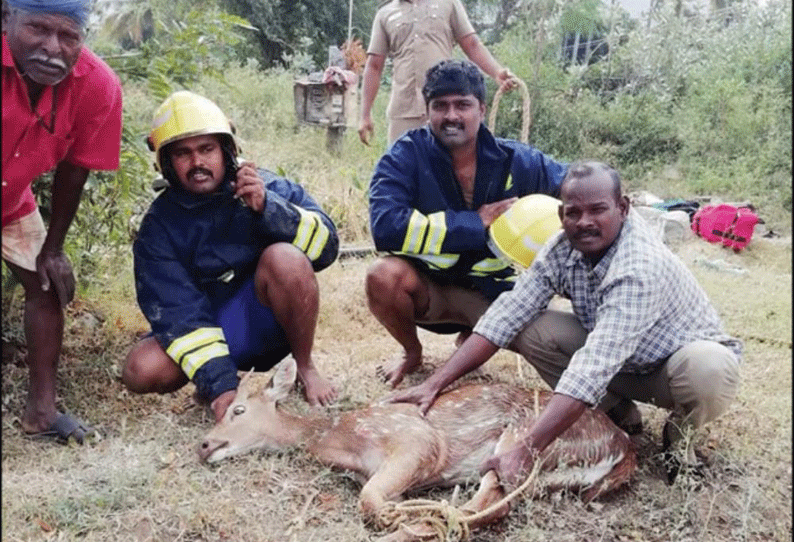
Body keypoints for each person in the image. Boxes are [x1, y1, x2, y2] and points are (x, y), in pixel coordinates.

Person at [388, 161, 742, 486]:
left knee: (709, 368)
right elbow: (507, 313)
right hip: (619, 364)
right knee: (530, 328)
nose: (585, 221)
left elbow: (594, 363)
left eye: (598, 209)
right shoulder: (562, 247)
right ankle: (616, 412)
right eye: (574, 212)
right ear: (561, 214)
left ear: (623, 207)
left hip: (669, 370)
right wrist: (435, 383)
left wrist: (528, 447)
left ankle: (679, 438)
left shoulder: (638, 266)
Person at [122, 91, 339, 422]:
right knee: (141, 369)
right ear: (167, 163)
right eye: (183, 154)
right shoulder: (158, 227)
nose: (197, 163)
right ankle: (221, 378)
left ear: (226, 151)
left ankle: (304, 366)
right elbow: (178, 312)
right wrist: (222, 386)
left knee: (286, 259)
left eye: (207, 149)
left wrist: (270, 209)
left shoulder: (264, 185)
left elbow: (327, 248)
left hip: (267, 320)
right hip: (210, 327)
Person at [367, 59, 567, 388]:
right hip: (429, 292)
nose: (451, 116)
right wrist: (475, 223)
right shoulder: (404, 156)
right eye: (440, 106)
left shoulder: (518, 160)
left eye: (463, 105)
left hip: (495, 295)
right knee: (382, 276)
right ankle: (412, 353)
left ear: (482, 109)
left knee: (544, 342)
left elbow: (575, 185)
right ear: (427, 110)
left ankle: (476, 336)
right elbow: (385, 225)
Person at [2, 0, 123, 443]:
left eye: (69, 37)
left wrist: (53, 248)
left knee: (46, 283)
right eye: (37, 29)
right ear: (5, 18)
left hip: (11, 198)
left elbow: (76, 166)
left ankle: (42, 412)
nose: (53, 48)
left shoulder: (97, 86)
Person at [358, 0, 518, 146]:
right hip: (404, 112)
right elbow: (374, 66)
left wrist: (496, 72)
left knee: (448, 169)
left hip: (446, 109)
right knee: (402, 170)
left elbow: (472, 44)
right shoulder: (385, 14)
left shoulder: (448, 4)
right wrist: (365, 115)